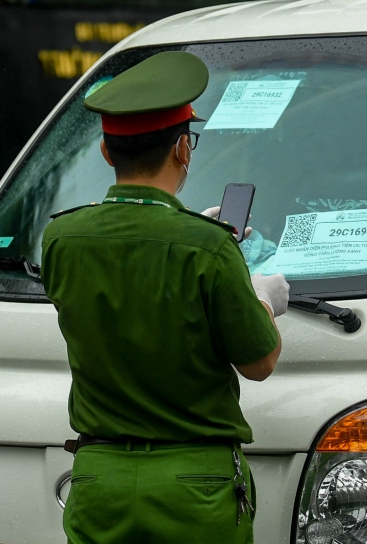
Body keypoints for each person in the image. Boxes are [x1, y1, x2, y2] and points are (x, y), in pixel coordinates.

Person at [41, 51, 289, 544]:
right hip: (194, 491)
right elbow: (260, 362)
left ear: (108, 154)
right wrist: (261, 297)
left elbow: (125, 275)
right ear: (183, 150)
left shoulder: (61, 240)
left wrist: (180, 231)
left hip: (98, 486)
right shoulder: (211, 248)